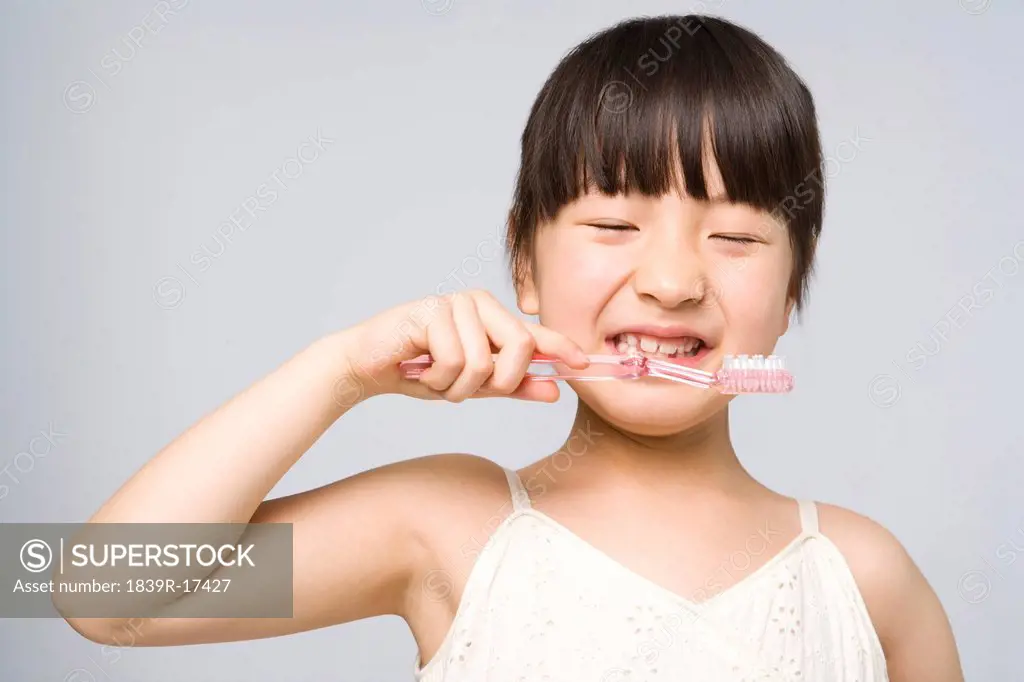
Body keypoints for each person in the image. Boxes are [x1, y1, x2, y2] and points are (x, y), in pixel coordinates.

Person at [60, 14, 964, 681]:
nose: (673, 281)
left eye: (734, 238)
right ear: (523, 264)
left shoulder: (866, 575)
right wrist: (339, 373)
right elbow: (98, 597)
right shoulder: (443, 524)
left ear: (794, 286)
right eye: (614, 222)